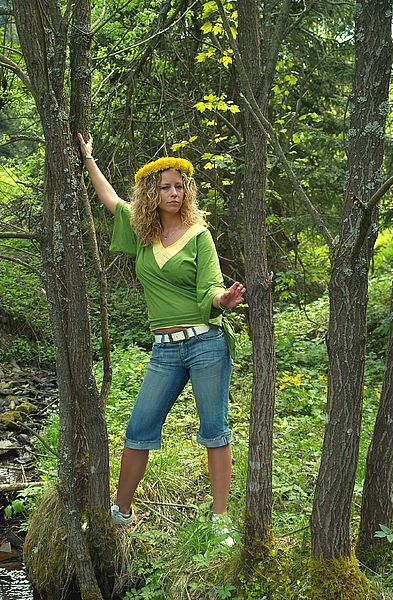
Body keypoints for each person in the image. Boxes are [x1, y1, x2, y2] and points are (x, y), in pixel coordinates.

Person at [77, 133, 245, 546]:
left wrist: (224, 299)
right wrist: (89, 160)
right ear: (153, 193)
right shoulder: (143, 232)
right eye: (166, 187)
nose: (174, 192)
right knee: (138, 429)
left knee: (214, 430)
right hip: (165, 350)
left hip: (206, 343)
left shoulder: (198, 234)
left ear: (187, 190)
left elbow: (211, 286)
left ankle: (220, 520)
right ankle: (121, 511)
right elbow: (111, 201)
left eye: (179, 186)